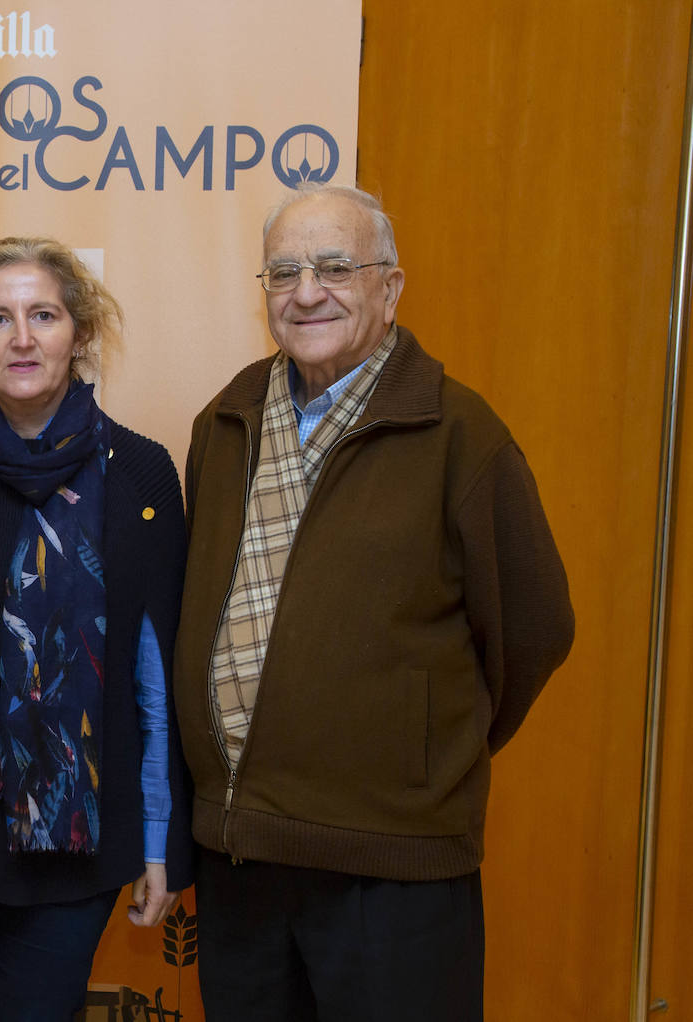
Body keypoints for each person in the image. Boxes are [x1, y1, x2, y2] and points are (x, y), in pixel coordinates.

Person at [174, 183, 575, 1021]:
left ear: (390, 289)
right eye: (283, 272)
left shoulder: (462, 435)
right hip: (242, 862)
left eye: (333, 267)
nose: (306, 291)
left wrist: (425, 747)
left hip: (393, 875)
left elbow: (534, 629)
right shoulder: (226, 421)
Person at [0, 237, 194, 1021]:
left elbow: (155, 680)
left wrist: (159, 837)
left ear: (78, 333)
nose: (21, 338)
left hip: (72, 834)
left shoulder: (140, 473)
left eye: (43, 315)